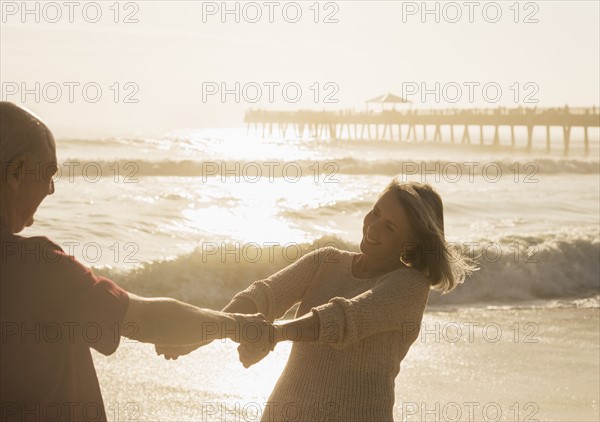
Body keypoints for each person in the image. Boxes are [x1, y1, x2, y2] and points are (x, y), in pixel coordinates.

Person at [0, 102, 271, 422]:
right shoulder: (37, 267)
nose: (51, 188)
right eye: (47, 173)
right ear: (16, 173)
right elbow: (147, 318)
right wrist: (238, 325)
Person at [166, 179, 476, 421]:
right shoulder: (326, 261)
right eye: (376, 212)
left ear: (411, 242)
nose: (372, 227)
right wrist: (201, 333)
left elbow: (343, 319)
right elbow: (263, 296)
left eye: (389, 227)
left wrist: (273, 334)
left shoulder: (409, 285)